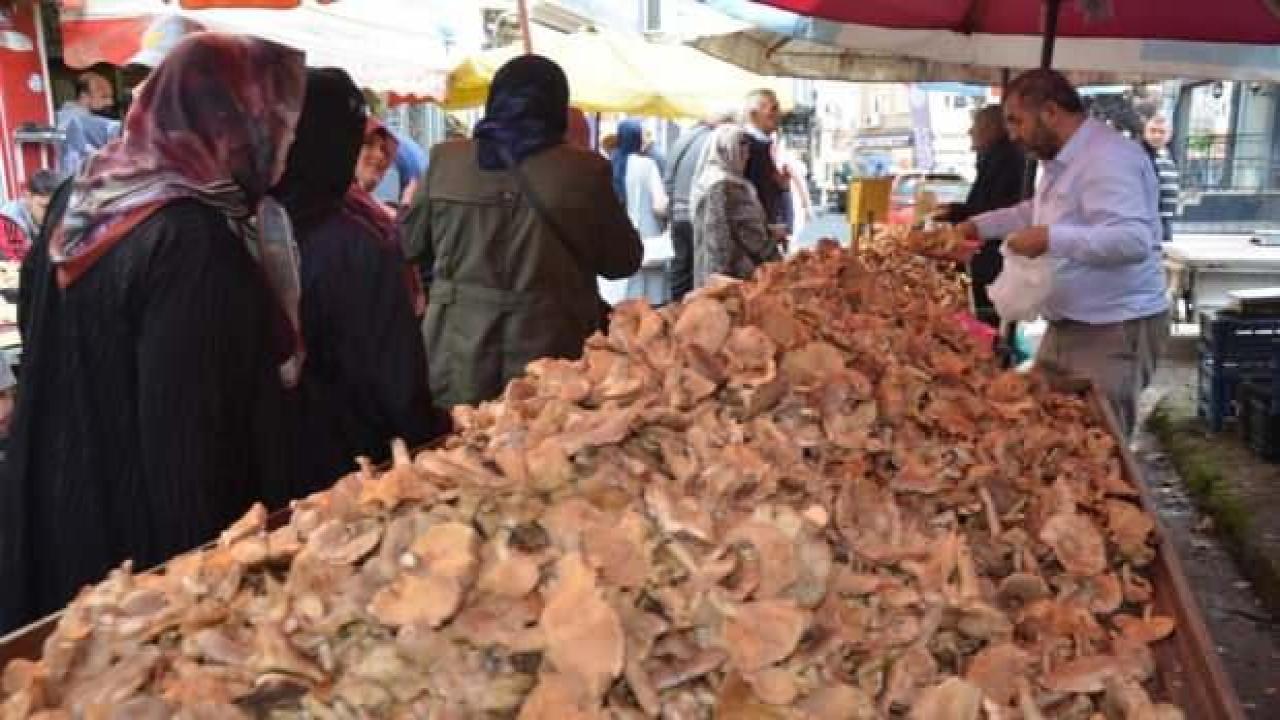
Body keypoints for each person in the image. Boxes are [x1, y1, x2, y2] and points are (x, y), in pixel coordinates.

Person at [0, 34, 307, 634]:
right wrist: (205, 597)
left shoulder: (84, 193)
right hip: (133, 560)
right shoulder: (191, 238)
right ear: (233, 122)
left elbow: (42, 326)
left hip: (55, 503)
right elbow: (189, 450)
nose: (286, 144)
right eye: (276, 120)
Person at [401, 55, 641, 408]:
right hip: (551, 354)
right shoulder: (584, 172)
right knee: (536, 451)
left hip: (456, 353)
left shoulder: (444, 160)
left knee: (457, 451)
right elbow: (622, 262)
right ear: (557, 106)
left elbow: (409, 245)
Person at [946, 69, 1168, 437]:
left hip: (1113, 327)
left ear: (1049, 112)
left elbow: (1132, 240)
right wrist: (976, 226)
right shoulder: (1061, 159)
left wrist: (1051, 238)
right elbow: (1034, 211)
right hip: (1067, 323)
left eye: (1017, 121)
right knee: (1045, 427)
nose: (1013, 134)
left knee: (1097, 443)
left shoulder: (1108, 157)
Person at [271, 68, 450, 496]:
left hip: (270, 462)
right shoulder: (357, 242)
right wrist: (430, 439)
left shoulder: (250, 219)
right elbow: (396, 378)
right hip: (353, 466)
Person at [938, 105, 1027, 327]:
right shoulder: (993, 159)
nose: (970, 132)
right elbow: (984, 206)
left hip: (991, 259)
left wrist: (966, 221)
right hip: (986, 256)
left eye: (975, 126)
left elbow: (996, 208)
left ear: (990, 128)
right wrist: (955, 211)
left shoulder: (1005, 161)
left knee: (985, 318)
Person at [691, 124, 781, 289]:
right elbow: (745, 235)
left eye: (747, 150)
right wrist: (772, 242)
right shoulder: (725, 185)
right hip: (734, 277)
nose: (746, 156)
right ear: (726, 150)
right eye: (740, 149)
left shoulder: (708, 179)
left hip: (713, 274)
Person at [664, 109, 736, 302]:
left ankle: (676, 314)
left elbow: (668, 179)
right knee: (700, 273)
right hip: (699, 213)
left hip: (678, 214)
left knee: (680, 271)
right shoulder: (715, 142)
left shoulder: (682, 139)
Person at [603, 119, 670, 306]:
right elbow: (660, 205)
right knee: (649, 307)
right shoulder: (647, 165)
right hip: (647, 240)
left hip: (618, 240)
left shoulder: (608, 164)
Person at [56, 71, 121, 179]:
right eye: (104, 97)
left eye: (110, 97)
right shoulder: (76, 121)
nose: (110, 102)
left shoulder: (62, 116)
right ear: (84, 96)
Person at [742, 88, 789, 234]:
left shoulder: (761, 146)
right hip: (752, 237)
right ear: (753, 114)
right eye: (773, 109)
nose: (779, 114)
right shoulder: (746, 146)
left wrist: (780, 186)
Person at [0, 170, 57, 260]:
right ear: (28, 197)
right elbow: (19, 265)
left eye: (56, 207)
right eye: (45, 207)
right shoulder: (9, 221)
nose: (51, 213)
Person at [1142, 116, 1179, 243]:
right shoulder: (1140, 154)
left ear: (1169, 135)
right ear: (1145, 132)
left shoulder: (1169, 154)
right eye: (1153, 131)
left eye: (1162, 132)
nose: (1157, 135)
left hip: (1166, 217)